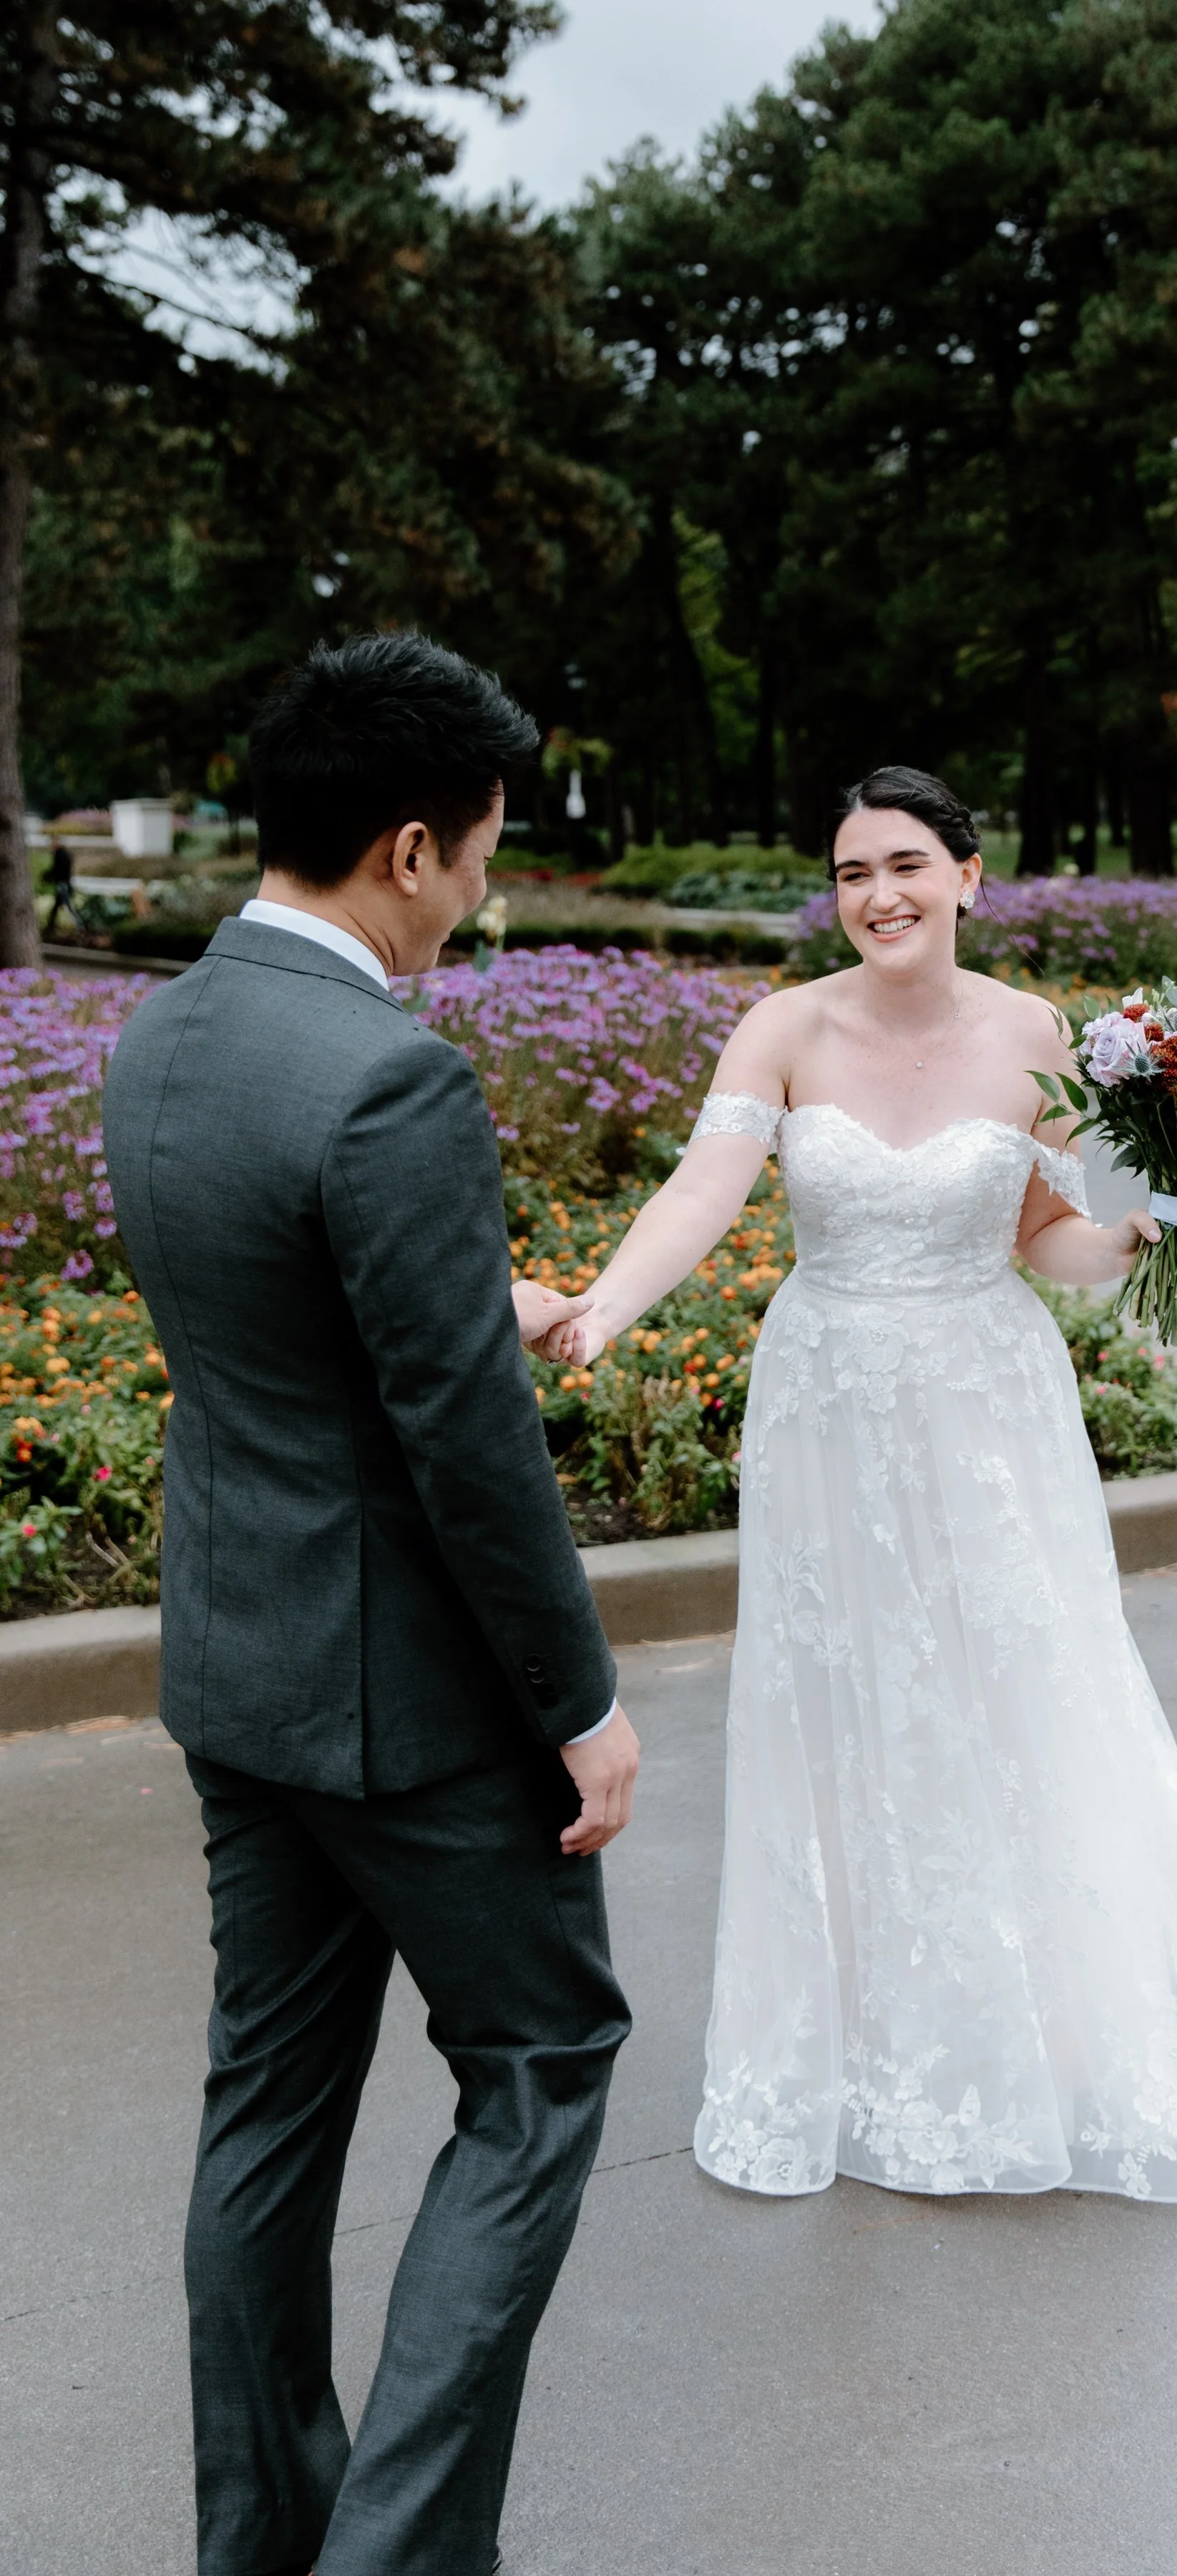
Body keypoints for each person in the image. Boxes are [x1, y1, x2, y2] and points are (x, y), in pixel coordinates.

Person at [550, 764, 1177, 2205]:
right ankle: (866, 2033)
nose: (878, 896)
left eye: (905, 864)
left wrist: (1159, 1232)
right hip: (830, 1404)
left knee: (1019, 1683)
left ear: (970, 876)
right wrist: (604, 1306)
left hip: (986, 1404)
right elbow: (700, 1196)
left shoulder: (1033, 1032)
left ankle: (1054, 2015)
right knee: (849, 1698)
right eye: (850, 874)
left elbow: (1049, 1237)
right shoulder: (783, 1026)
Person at [104, 634, 640, 2576]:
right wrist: (577, 1702)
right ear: (411, 847)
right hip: (411, 1711)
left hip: (235, 1674)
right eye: (488, 852)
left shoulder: (164, 1036)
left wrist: (452, 1299)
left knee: (265, 2121)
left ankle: (258, 2541)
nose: (486, 892)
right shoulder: (389, 1078)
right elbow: (467, 1457)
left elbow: (270, 1328)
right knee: (544, 2062)